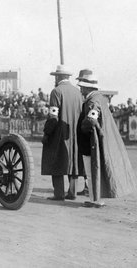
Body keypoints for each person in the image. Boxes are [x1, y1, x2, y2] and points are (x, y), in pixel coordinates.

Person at [77, 72, 137, 208]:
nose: (81, 90)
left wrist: (83, 127)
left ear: (87, 88)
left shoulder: (93, 101)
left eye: (82, 87)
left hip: (91, 142)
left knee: (91, 171)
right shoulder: (101, 98)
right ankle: (95, 198)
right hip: (97, 140)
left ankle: (95, 200)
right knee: (94, 170)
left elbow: (91, 119)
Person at [41, 65, 83, 201]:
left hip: (59, 133)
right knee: (73, 161)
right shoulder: (78, 92)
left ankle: (58, 194)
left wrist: (47, 133)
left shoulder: (56, 91)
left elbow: (53, 117)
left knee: (56, 161)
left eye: (55, 77)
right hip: (75, 134)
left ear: (58, 77)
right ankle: (73, 192)